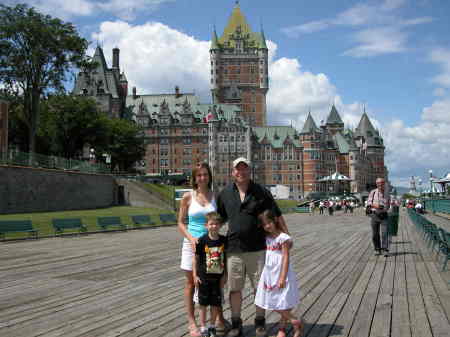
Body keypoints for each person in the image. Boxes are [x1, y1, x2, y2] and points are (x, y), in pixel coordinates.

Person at [217, 157, 289, 337]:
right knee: (235, 288)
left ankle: (260, 322)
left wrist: (286, 237)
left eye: (244, 169)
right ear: (232, 172)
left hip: (257, 248)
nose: (241, 172)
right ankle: (236, 323)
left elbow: (276, 215)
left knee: (260, 288)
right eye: (237, 169)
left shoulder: (261, 192)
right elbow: (218, 219)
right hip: (234, 249)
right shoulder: (225, 193)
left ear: (250, 171)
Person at [178, 163, 228, 337]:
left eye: (205, 174)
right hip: (191, 244)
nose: (202, 178)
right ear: (194, 178)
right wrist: (191, 238)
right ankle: (192, 321)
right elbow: (180, 222)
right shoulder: (187, 196)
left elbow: (221, 219)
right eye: (199, 175)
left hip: (211, 245)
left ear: (209, 176)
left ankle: (219, 318)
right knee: (192, 283)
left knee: (214, 280)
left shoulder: (216, 196)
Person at [255, 210, 303, 337]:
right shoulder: (267, 237)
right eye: (264, 224)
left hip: (282, 273)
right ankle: (294, 321)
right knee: (267, 300)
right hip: (269, 273)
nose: (267, 226)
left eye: (269, 222)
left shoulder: (283, 237)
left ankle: (283, 327)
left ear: (275, 220)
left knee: (283, 301)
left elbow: (286, 257)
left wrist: (282, 277)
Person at [193, 212, 227, 337]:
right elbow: (195, 259)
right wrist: (195, 275)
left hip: (218, 279)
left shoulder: (224, 240)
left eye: (217, 224)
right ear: (206, 225)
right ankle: (203, 327)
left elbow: (226, 259)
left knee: (215, 304)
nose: (214, 226)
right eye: (211, 224)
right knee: (202, 304)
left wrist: (225, 275)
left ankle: (212, 325)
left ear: (220, 225)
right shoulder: (201, 241)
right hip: (203, 279)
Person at [367, 177, 391, 257]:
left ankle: (385, 249)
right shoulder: (373, 192)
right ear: (376, 184)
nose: (380, 184)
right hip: (374, 215)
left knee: (384, 233)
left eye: (382, 183)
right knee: (375, 234)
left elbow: (388, 206)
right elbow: (369, 204)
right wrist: (377, 206)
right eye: (378, 183)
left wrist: (384, 208)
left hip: (384, 215)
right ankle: (377, 249)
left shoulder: (387, 193)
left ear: (384, 184)